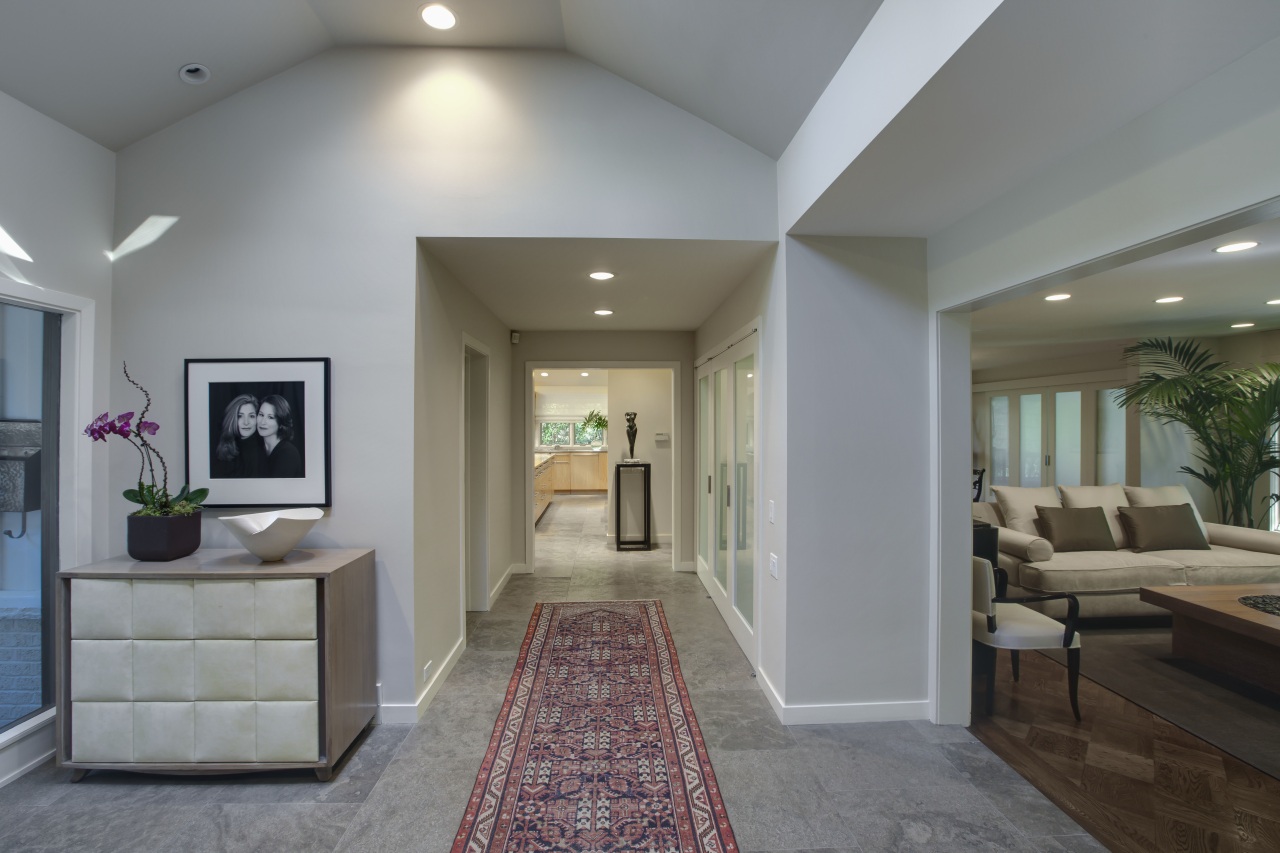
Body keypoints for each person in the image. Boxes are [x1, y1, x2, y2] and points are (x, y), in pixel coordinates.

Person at [212, 394, 261, 478]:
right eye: (240, 416)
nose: (246, 422)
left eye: (251, 416)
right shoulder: (225, 447)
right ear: (232, 419)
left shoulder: (262, 451)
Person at [257, 394, 303, 478]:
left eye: (270, 417)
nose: (262, 422)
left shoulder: (288, 454)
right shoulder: (258, 448)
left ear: (281, 423)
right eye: (261, 415)